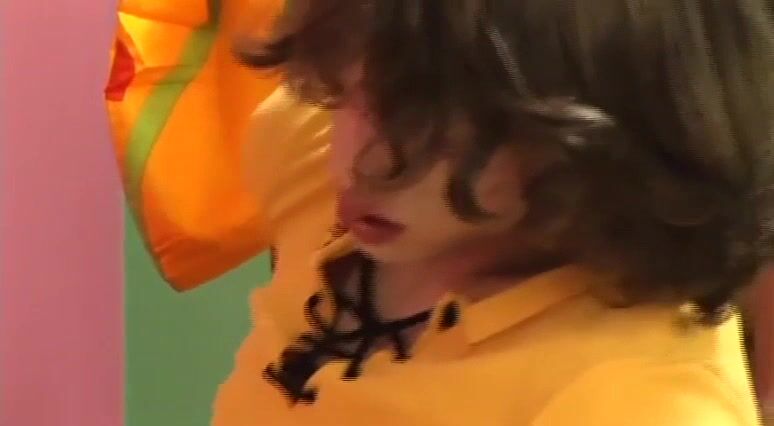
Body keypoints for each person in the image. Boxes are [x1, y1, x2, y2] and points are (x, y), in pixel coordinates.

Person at [211, 0, 774, 424]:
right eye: (346, 92)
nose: (344, 164)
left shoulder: (637, 403)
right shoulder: (303, 149)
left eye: (426, 126)